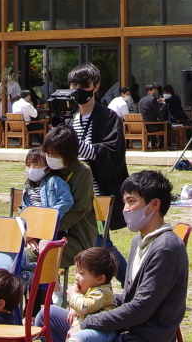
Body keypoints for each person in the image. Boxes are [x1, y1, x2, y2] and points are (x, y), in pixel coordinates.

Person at [43, 170, 187, 342]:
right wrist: (90, 308)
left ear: (154, 205)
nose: (125, 209)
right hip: (122, 335)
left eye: (132, 201)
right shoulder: (138, 242)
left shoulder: (166, 247)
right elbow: (128, 297)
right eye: (125, 201)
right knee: (47, 317)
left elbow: (141, 309)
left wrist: (88, 323)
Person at [66, 63, 128, 232]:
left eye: (84, 85)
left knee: (101, 242)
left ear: (96, 87)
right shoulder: (70, 119)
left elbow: (112, 152)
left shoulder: (108, 117)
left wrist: (74, 144)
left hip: (97, 193)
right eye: (74, 85)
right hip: (72, 193)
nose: (78, 89)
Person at [42, 125, 101, 275]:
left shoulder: (82, 172)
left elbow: (78, 210)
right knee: (16, 251)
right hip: (41, 233)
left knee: (35, 256)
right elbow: (30, 197)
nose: (51, 158)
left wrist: (46, 228)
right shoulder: (43, 168)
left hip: (75, 237)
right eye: (48, 153)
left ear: (69, 154)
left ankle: (49, 295)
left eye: (55, 155)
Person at [47, 245, 117, 342]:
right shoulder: (90, 290)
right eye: (77, 272)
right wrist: (75, 308)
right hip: (90, 328)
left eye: (82, 273)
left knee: (81, 336)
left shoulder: (102, 292)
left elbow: (85, 307)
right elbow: (85, 306)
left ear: (100, 279)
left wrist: (73, 295)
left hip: (103, 331)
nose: (77, 277)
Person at [22, 146, 74, 213]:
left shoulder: (55, 182)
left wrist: (51, 214)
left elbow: (66, 200)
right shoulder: (28, 186)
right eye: (28, 165)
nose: (31, 168)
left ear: (47, 168)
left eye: (36, 164)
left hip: (48, 220)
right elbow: (25, 206)